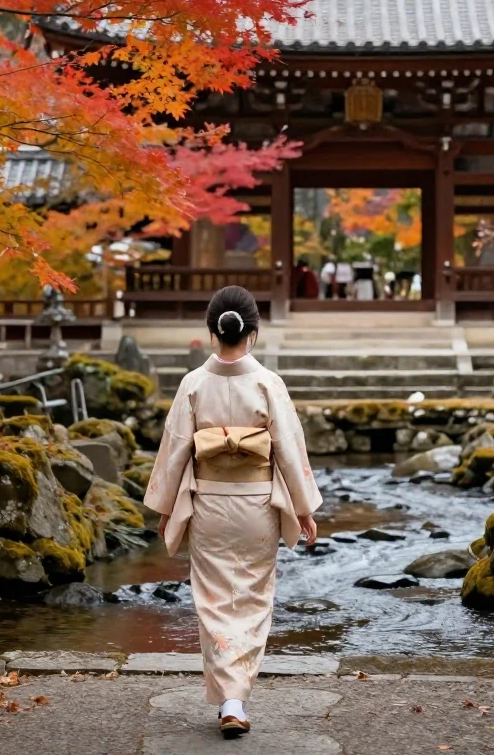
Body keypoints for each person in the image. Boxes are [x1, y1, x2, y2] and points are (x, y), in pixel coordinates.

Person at [144, 286, 322, 739]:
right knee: (253, 597)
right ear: (253, 333)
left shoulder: (193, 384)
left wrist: (166, 508)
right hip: (256, 505)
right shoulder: (268, 384)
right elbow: (287, 447)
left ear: (211, 333)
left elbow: (175, 451)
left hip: (207, 502)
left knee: (214, 600)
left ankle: (230, 699)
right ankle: (236, 698)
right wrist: (303, 509)